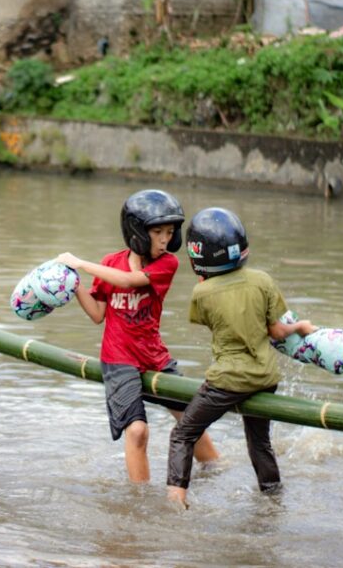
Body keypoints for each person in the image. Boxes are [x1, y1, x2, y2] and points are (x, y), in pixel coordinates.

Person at [57, 189, 220, 483]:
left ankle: (216, 470)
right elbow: (97, 314)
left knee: (189, 419)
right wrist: (74, 283)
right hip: (118, 358)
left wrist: (80, 262)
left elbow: (130, 281)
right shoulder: (110, 263)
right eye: (157, 232)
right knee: (137, 431)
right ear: (137, 232)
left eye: (169, 232)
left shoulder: (166, 264)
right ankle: (139, 499)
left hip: (154, 356)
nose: (164, 240)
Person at [166, 207, 316, 507]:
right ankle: (273, 500)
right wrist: (299, 326)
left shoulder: (202, 294)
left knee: (182, 435)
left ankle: (175, 504)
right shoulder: (263, 280)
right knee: (260, 442)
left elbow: (210, 321)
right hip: (266, 378)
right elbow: (276, 331)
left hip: (228, 381)